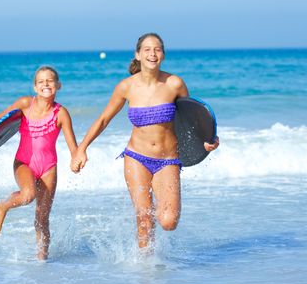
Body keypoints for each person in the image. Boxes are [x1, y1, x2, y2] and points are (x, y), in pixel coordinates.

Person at [72, 33, 219, 252]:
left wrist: (207, 141)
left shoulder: (174, 84)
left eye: (157, 49)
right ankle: (147, 273)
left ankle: (154, 255)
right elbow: (103, 119)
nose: (152, 54)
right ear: (138, 54)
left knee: (168, 221)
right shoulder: (126, 87)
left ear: (163, 55)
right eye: (147, 49)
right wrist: (81, 149)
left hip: (167, 160)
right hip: (136, 158)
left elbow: (191, 119)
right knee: (144, 218)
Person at [0, 66, 78, 260]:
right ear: (35, 87)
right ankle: (3, 206)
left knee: (42, 218)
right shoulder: (26, 104)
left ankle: (42, 259)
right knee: (28, 195)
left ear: (58, 85)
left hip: (48, 168)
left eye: (50, 81)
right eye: (41, 81)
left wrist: (77, 157)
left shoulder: (61, 113)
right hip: (24, 163)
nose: (46, 84)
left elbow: (72, 146)